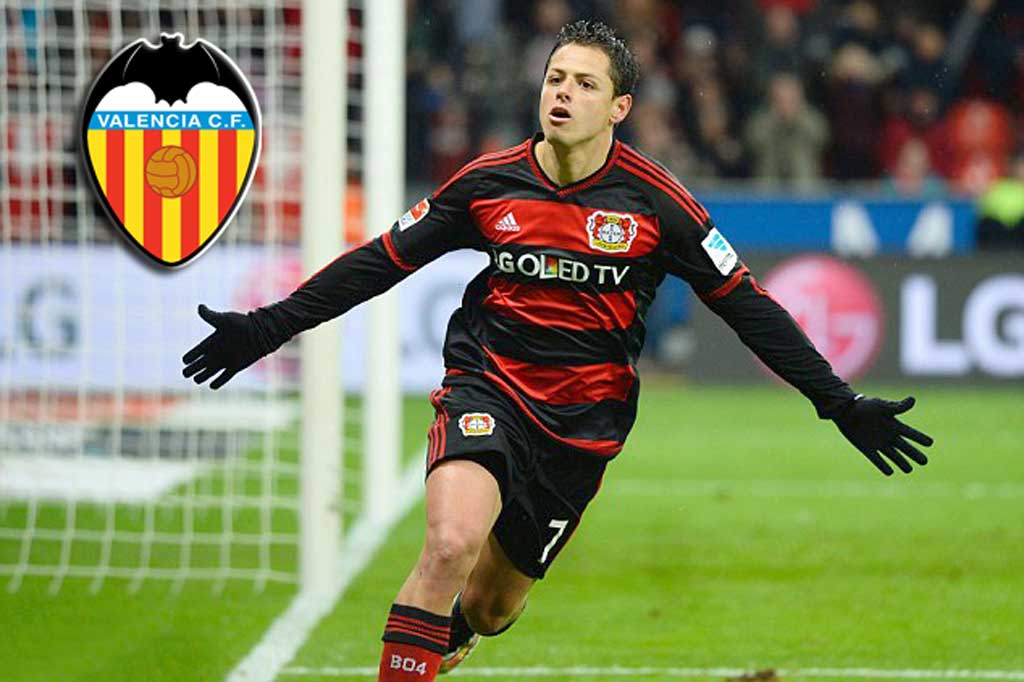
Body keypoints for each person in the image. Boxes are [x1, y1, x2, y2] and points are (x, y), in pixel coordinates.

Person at [181, 21, 934, 682]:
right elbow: (382, 260)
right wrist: (269, 326)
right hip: (489, 388)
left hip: (583, 428)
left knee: (492, 606)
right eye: (555, 78)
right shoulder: (489, 183)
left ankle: (463, 628)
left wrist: (836, 401)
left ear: (619, 108)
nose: (563, 93)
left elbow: (746, 304)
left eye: (584, 84)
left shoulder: (657, 203)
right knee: (448, 544)